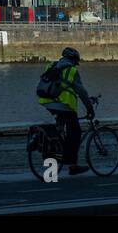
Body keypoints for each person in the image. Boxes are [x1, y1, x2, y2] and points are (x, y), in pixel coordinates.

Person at [37, 46, 94, 175]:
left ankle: (55, 147)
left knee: (61, 128)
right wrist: (89, 107)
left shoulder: (51, 66)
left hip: (47, 101)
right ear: (74, 60)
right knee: (75, 132)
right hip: (63, 104)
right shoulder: (71, 70)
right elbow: (81, 92)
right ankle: (72, 165)